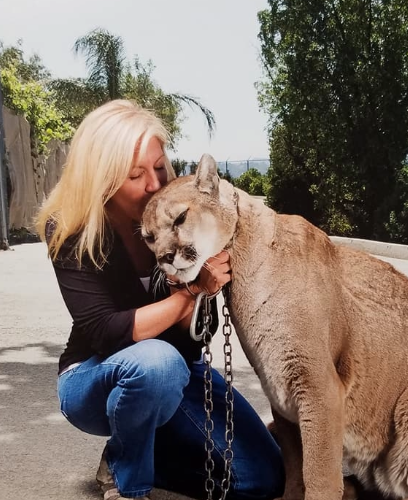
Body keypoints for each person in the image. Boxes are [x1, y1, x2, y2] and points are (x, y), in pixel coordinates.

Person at [35, 99, 284, 500]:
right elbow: (104, 332)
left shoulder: (175, 213)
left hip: (176, 371)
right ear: (104, 179)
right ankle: (126, 477)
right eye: (136, 174)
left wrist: (201, 285)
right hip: (94, 374)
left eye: (158, 166)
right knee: (156, 362)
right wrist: (189, 292)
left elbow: (193, 339)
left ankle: (149, 453)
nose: (154, 183)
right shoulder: (72, 228)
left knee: (261, 479)